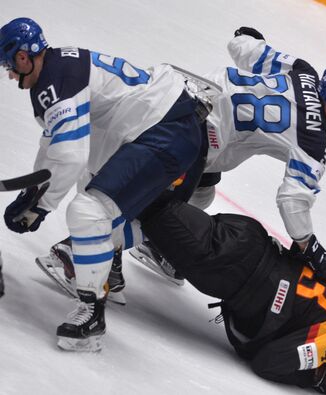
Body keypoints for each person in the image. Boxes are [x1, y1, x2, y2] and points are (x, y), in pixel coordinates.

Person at [0, 17, 210, 351]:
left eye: (10, 65)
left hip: (165, 132)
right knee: (92, 196)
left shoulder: (52, 82)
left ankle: (92, 315)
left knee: (88, 210)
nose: (10, 74)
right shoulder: (60, 67)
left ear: (23, 57)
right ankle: (106, 262)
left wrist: (39, 204)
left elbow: (68, 155)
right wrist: (31, 196)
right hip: (161, 127)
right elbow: (54, 144)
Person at [131, 26, 326, 283]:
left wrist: (245, 38)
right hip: (200, 131)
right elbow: (292, 200)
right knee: (160, 207)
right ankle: (116, 248)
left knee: (202, 193)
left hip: (196, 88)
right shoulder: (312, 140)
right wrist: (307, 243)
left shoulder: (304, 71)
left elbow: (247, 51)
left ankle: (151, 240)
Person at [141, 199, 326, 394]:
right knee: (142, 203)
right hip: (228, 267)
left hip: (248, 237)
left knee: (153, 198)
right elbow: (267, 363)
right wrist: (314, 377)